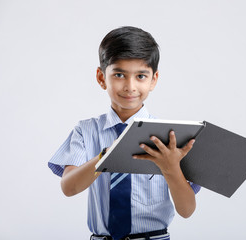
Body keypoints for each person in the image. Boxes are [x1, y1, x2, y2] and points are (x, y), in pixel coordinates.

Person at [48, 26, 201, 240]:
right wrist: (106, 156)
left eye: (141, 76)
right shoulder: (85, 131)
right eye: (119, 74)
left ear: (153, 80)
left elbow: (187, 210)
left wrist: (171, 167)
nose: (130, 86)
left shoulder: (171, 138)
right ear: (101, 77)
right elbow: (69, 187)